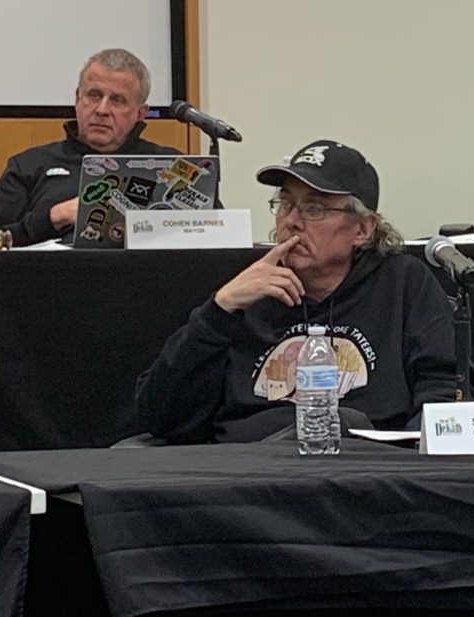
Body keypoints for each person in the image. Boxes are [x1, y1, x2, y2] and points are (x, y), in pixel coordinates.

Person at [136, 140, 457, 443]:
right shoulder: (247, 290)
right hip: (250, 472)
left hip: (365, 470)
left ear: (362, 229)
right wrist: (218, 311)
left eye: (314, 208)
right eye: (285, 203)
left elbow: (442, 391)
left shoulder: (401, 283)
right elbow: (161, 416)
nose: (291, 220)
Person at [0, 48, 182, 246]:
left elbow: (210, 238)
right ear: (77, 98)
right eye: (94, 95)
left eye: (117, 100)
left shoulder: (169, 168)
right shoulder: (30, 165)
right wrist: (53, 217)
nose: (102, 110)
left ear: (140, 113)